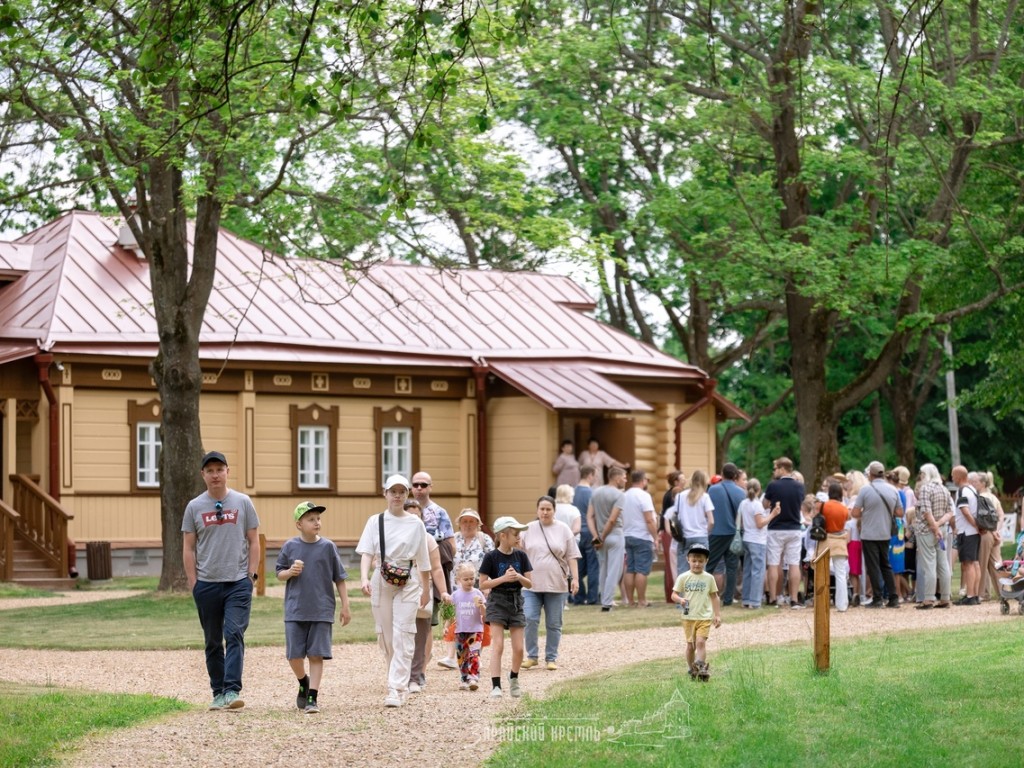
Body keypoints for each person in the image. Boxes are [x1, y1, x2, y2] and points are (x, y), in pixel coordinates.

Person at [181, 451, 261, 711]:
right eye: (210, 470)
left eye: (219, 469)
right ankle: (218, 692)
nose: (215, 475)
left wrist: (251, 576)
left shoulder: (243, 502)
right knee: (213, 641)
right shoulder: (194, 507)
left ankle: (232, 690)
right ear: (203, 475)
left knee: (234, 633)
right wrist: (194, 582)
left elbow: (253, 541)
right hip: (207, 584)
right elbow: (189, 547)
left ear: (227, 471)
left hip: (238, 581)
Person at [356, 474, 432, 708]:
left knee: (403, 633)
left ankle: (397, 688)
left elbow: (424, 560)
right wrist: (364, 577)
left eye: (401, 491)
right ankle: (394, 678)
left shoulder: (416, 524)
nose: (397, 495)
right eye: (393, 491)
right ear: (386, 494)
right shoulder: (375, 521)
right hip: (382, 578)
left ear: (407, 494)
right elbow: (367, 552)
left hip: (408, 580)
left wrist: (426, 589)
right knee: (386, 636)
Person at [275, 501, 352, 714]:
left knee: (316, 655)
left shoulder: (328, 547)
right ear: (299, 524)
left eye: (318, 518)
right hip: (295, 609)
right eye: (311, 519)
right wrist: (290, 572)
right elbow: (279, 573)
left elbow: (340, 578)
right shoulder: (290, 546)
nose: (316, 522)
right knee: (294, 655)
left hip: (322, 609)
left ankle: (312, 697)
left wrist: (346, 605)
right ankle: (303, 680)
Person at [520, 496, 580, 670]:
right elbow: (519, 551)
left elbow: (571, 556)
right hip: (531, 584)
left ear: (554, 510)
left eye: (548, 509)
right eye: (542, 509)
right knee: (530, 619)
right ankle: (532, 656)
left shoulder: (563, 529)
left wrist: (575, 578)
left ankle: (551, 657)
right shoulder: (527, 529)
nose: (545, 512)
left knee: (554, 623)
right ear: (537, 510)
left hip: (557, 584)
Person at [478, 516, 533, 699]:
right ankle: (496, 686)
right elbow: (483, 584)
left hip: (516, 601)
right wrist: (503, 579)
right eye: (515, 533)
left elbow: (530, 584)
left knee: (518, 648)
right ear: (502, 535)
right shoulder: (491, 557)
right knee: (498, 645)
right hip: (497, 602)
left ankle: (514, 678)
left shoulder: (521, 556)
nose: (518, 537)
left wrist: (517, 576)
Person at [402, 497, 452, 694]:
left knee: (421, 633)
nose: (414, 520)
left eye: (418, 516)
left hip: (423, 589)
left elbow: (437, 569)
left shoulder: (428, 539)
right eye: (410, 516)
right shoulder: (394, 536)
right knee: (399, 634)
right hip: (399, 589)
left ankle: (416, 674)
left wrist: (444, 591)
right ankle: (400, 672)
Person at [409, 471, 457, 670]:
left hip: (431, 569)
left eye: (423, 485)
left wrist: (435, 555)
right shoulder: (404, 509)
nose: (419, 488)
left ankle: (421, 668)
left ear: (430, 487)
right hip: (407, 572)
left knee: (427, 621)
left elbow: (451, 545)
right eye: (416, 485)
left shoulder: (439, 512)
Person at [851, 461, 903, 609]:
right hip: (885, 532)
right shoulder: (893, 490)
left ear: (870, 474)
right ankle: (893, 597)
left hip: (869, 533)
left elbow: (855, 513)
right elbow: (900, 512)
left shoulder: (865, 490)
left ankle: (878, 598)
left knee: (873, 566)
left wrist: (867, 512)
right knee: (886, 565)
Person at [671, 542, 721, 681]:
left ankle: (700, 667)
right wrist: (680, 600)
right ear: (688, 559)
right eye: (694, 560)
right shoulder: (683, 577)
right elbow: (673, 595)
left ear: (706, 561)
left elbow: (714, 597)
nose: (697, 564)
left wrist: (717, 615)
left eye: (700, 561)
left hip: (704, 617)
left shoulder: (709, 578)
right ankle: (690, 668)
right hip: (688, 617)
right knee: (690, 646)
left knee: (700, 642)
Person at [762, 457, 805, 609]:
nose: (774, 471)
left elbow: (765, 504)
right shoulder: (799, 486)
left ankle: (773, 598)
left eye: (775, 468)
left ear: (781, 468)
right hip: (794, 528)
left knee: (774, 564)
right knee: (794, 564)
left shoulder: (773, 486)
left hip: (776, 528)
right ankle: (794, 598)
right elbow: (800, 504)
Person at [586, 466, 627, 611]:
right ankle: (607, 602)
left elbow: (589, 516)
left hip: (600, 535)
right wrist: (602, 537)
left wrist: (596, 536)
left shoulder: (596, 492)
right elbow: (612, 520)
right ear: (616, 478)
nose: (625, 480)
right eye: (624, 477)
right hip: (614, 534)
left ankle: (604, 598)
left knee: (603, 569)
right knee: (615, 570)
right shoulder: (620, 495)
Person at [913, 463, 953, 609]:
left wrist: (934, 527)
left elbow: (926, 511)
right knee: (943, 564)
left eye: (922, 474)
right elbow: (950, 511)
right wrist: (939, 525)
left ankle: (929, 599)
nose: (921, 476)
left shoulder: (925, 489)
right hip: (941, 531)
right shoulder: (944, 489)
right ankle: (945, 598)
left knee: (929, 565)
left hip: (926, 531)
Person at [706, 463, 745, 606]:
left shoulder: (712, 490)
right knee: (732, 567)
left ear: (722, 474)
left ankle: (704, 596)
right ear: (735, 475)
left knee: (709, 565)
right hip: (733, 534)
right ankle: (728, 599)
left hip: (717, 532)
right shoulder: (741, 492)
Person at [665, 469, 714, 579]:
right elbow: (711, 521)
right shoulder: (705, 497)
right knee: (700, 572)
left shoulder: (680, 496)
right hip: (701, 536)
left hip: (684, 537)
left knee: (682, 572)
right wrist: (706, 531)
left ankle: (684, 596)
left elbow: (674, 517)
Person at [619, 469, 658, 607]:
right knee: (641, 570)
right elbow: (649, 519)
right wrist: (655, 537)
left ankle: (630, 600)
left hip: (627, 534)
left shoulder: (624, 495)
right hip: (642, 535)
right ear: (643, 480)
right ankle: (642, 600)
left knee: (630, 569)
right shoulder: (644, 496)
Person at [740, 478, 777, 608]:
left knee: (747, 570)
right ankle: (755, 601)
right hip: (757, 540)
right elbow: (760, 524)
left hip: (747, 538)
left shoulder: (744, 503)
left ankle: (746, 599)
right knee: (758, 571)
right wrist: (772, 515)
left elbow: (742, 522)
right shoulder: (757, 505)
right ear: (759, 489)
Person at [449, 562, 487, 691]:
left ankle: (473, 677)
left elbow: (484, 614)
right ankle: (464, 678)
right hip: (460, 630)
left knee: (474, 654)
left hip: (476, 630)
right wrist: (446, 625)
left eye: (472, 578)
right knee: (461, 656)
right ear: (458, 580)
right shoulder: (455, 595)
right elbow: (451, 613)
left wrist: (481, 606)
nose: (469, 581)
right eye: (466, 579)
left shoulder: (477, 593)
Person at [951, 466, 981, 605]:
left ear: (959, 476)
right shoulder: (972, 489)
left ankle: (970, 596)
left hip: (967, 532)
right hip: (973, 533)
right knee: (974, 563)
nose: (952, 478)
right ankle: (974, 594)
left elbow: (965, 511)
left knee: (968, 564)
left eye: (953, 475)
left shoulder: (962, 491)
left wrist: (975, 525)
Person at [819, 481, 851, 611]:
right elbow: (846, 521)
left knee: (822, 573)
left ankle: (822, 601)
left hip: (825, 539)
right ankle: (842, 604)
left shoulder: (824, 506)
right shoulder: (844, 508)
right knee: (840, 573)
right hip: (839, 540)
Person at [571, 465, 601, 605]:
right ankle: (593, 597)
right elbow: (594, 515)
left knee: (578, 567)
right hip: (590, 532)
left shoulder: (572, 492)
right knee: (593, 566)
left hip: (576, 533)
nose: (596, 478)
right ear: (590, 475)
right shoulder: (592, 493)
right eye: (595, 475)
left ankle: (578, 595)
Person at [975, 471, 1005, 600]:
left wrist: (992, 531)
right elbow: (1001, 515)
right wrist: (997, 530)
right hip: (995, 534)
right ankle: (1003, 592)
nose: (973, 484)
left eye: (976, 482)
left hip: (986, 533)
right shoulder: (993, 497)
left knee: (981, 563)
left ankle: (982, 593)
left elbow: (985, 519)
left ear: (982, 483)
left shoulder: (981, 498)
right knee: (996, 564)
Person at [660, 470, 685, 602]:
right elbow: (667, 524)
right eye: (682, 478)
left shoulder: (671, 501)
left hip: (676, 538)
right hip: (677, 538)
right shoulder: (672, 499)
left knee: (675, 568)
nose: (685, 480)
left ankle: (677, 595)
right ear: (676, 481)